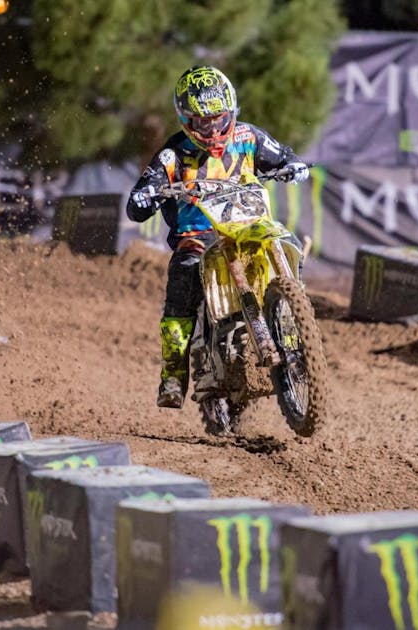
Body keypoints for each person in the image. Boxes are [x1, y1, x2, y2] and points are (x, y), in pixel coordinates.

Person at [126, 65, 310, 409]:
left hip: (249, 223)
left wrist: (293, 165)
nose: (211, 128)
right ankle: (173, 373)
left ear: (231, 111)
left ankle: (296, 321)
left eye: (218, 119)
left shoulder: (248, 137)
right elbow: (139, 200)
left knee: (291, 244)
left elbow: (283, 156)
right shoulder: (173, 153)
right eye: (202, 122)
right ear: (186, 120)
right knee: (183, 274)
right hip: (199, 235)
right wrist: (145, 196)